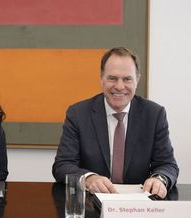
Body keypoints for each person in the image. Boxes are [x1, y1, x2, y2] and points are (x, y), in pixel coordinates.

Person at [52, 47, 179, 198]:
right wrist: (89, 178)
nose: (119, 86)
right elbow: (62, 165)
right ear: (101, 79)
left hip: (138, 205)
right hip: (92, 204)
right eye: (112, 78)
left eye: (127, 79)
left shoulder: (154, 114)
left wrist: (159, 179)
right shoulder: (78, 114)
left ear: (137, 80)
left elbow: (168, 165)